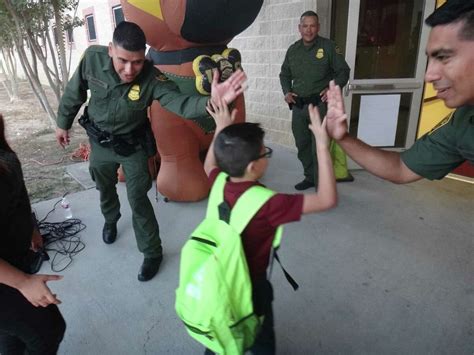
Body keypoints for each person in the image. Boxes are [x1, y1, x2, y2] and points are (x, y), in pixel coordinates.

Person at [56, 21, 246, 282]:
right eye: (123, 60)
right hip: (99, 144)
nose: (129, 69)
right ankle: (111, 219)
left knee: (138, 199)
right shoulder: (93, 59)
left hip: (132, 148)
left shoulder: (152, 77)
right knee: (105, 186)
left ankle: (152, 252)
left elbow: (180, 103)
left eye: (136, 62)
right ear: (111, 49)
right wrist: (62, 123)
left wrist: (212, 101)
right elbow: (74, 91)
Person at [202, 97, 338, 353]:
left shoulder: (218, 182)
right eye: (266, 151)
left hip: (217, 278)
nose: (267, 154)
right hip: (251, 286)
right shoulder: (268, 203)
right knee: (261, 340)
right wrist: (322, 144)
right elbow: (327, 199)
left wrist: (221, 127)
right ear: (254, 166)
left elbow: (209, 163)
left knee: (221, 330)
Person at [325, 0, 473, 184]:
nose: (429, 75)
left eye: (444, 57)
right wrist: (343, 138)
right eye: (430, 60)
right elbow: (402, 169)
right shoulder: (463, 122)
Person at [0, 113, 66, 354]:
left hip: (13, 261)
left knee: (12, 332)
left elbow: (16, 189)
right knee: (48, 329)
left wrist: (31, 226)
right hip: (7, 277)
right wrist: (23, 283)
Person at [279, 10, 353, 191]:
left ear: (318, 27)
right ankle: (310, 177)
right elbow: (284, 74)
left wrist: (332, 87)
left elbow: (343, 71)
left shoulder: (328, 47)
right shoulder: (293, 50)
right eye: (305, 26)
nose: (309, 30)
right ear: (299, 28)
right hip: (298, 107)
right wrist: (287, 91)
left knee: (319, 146)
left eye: (313, 26)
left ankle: (323, 184)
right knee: (302, 144)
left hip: (320, 107)